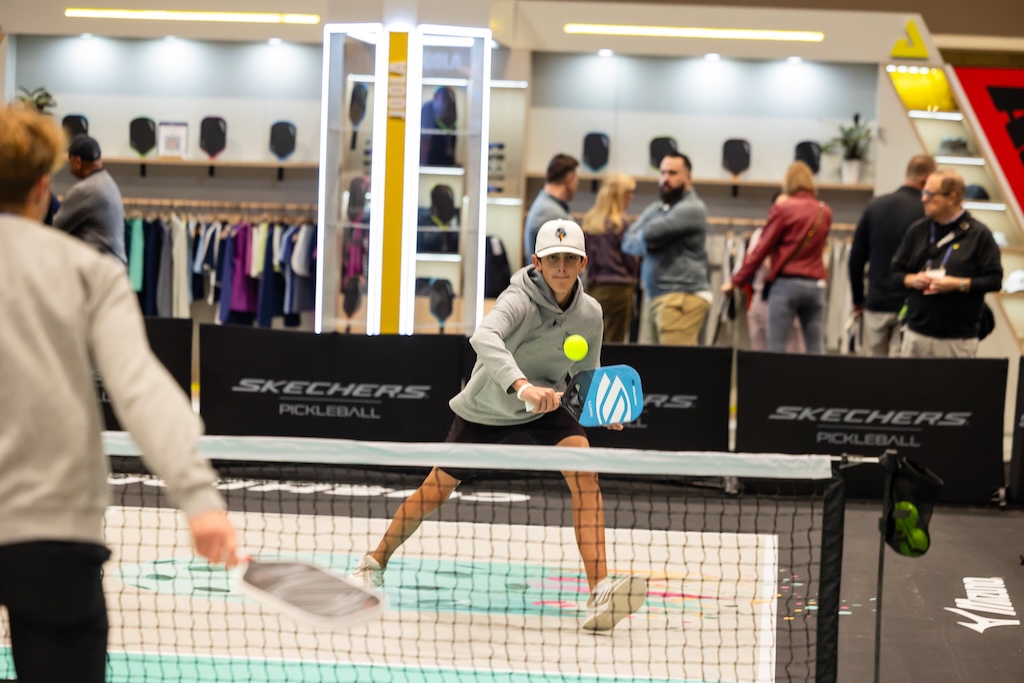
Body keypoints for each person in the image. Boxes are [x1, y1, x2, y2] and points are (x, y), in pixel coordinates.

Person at [0, 106, 238, 683]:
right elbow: (140, 387)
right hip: (55, 536)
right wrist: (200, 498)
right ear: (43, 186)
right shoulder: (90, 273)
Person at [350, 218, 647, 632]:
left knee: (586, 476)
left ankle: (599, 591)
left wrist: (601, 407)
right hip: (491, 404)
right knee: (435, 490)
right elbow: (484, 337)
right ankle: (373, 562)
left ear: (582, 263)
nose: (561, 266)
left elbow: (586, 372)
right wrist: (522, 385)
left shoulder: (591, 313)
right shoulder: (518, 300)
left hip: (548, 404)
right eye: (552, 259)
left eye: (569, 259)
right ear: (536, 263)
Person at [891, 169, 1003, 358]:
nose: (923, 199)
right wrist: (913, 280)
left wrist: (957, 284)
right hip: (916, 335)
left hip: (958, 341)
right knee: (912, 388)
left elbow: (994, 280)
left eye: (929, 194)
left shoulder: (979, 235)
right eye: (923, 192)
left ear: (952, 198)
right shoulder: (918, 230)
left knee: (955, 389)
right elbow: (895, 274)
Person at [723, 161, 832, 354]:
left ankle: (775, 385)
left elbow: (761, 249)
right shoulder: (825, 211)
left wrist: (736, 280)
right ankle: (817, 384)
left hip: (786, 285)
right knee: (816, 349)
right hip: (816, 286)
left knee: (776, 350)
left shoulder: (784, 209)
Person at [849, 155, 937, 356]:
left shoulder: (875, 206)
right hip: (910, 306)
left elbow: (856, 258)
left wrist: (857, 299)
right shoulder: (927, 213)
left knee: (873, 373)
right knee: (900, 375)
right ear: (926, 180)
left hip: (876, 302)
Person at [622, 152, 711, 346]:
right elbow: (627, 241)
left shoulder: (692, 208)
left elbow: (649, 233)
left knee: (674, 370)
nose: (666, 179)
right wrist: (651, 244)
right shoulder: (657, 208)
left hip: (681, 298)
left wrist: (648, 238)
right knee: (652, 369)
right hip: (656, 296)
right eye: (662, 173)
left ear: (688, 177)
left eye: (672, 173)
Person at [742, 193, 806, 353]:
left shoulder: (801, 238)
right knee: (761, 360)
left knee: (792, 360)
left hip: (791, 303)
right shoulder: (760, 235)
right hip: (763, 300)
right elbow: (756, 264)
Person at [582, 173, 641, 343]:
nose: (632, 197)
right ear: (620, 195)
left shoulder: (590, 222)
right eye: (629, 192)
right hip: (619, 289)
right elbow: (631, 260)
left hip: (594, 287)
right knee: (615, 340)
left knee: (595, 338)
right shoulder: (622, 225)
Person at [53, 134, 128, 265]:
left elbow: (55, 228)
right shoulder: (107, 182)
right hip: (114, 268)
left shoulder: (85, 190)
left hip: (101, 272)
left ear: (77, 161)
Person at [523, 153, 578, 266]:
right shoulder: (550, 213)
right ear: (569, 179)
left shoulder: (547, 206)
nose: (577, 185)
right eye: (576, 180)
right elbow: (560, 265)